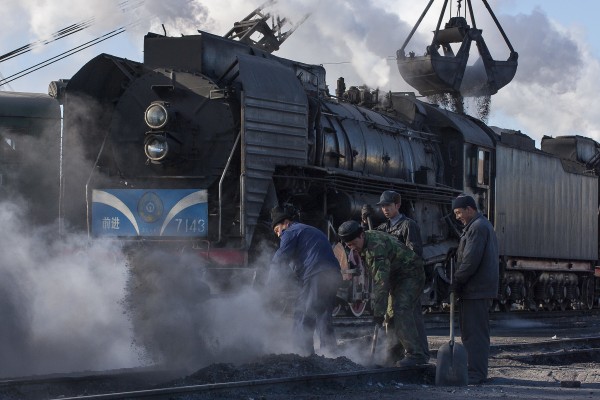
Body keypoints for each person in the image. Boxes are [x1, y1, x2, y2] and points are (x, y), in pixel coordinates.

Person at [337, 220, 427, 367]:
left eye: (354, 243)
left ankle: (416, 354)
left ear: (361, 236)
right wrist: (382, 312)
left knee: (401, 309)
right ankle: (393, 355)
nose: (352, 248)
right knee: (390, 315)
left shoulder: (375, 248)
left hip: (410, 274)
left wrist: (377, 313)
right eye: (349, 245)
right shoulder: (363, 244)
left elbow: (381, 283)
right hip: (395, 277)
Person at [362, 190, 430, 363]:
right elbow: (371, 241)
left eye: (388, 206)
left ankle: (421, 353)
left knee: (409, 314)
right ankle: (395, 354)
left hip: (407, 276)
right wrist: (363, 222)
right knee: (392, 317)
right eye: (383, 206)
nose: (385, 209)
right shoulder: (383, 228)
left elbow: (415, 252)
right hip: (392, 277)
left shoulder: (408, 225)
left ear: (398, 205)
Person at [268, 205, 342, 356]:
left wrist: (269, 288)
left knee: (303, 313)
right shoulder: (308, 230)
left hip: (316, 274)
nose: (278, 235)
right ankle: (331, 354)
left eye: (277, 230)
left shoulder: (290, 232)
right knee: (323, 315)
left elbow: (279, 259)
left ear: (286, 223)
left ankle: (302, 355)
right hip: (332, 275)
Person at [451, 194, 499, 384]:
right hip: (476, 289)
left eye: (459, 212)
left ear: (470, 209)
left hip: (476, 289)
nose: (457, 217)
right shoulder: (479, 226)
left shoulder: (478, 228)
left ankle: (476, 374)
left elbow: (471, 259)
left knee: (475, 334)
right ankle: (475, 371)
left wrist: (457, 280)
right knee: (473, 333)